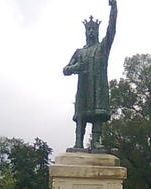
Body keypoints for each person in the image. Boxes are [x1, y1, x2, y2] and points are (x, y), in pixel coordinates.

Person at [63, 0, 117, 150]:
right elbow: (65, 70)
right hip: (83, 90)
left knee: (97, 113)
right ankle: (78, 142)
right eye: (89, 29)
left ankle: (96, 141)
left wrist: (114, 8)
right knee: (81, 115)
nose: (91, 32)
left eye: (94, 29)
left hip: (97, 88)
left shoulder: (102, 48)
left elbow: (112, 30)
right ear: (86, 32)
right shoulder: (79, 52)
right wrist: (75, 67)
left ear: (97, 32)